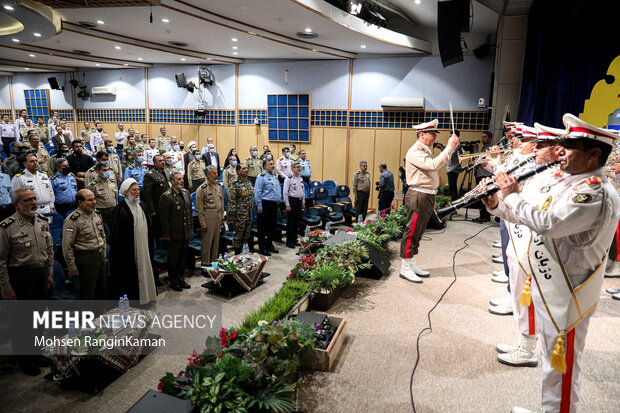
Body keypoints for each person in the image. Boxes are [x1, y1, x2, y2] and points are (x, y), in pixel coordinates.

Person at [482, 114, 620, 413]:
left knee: (563, 363)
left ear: (593, 154)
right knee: (551, 356)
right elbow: (529, 214)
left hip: (569, 286)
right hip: (553, 280)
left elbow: (547, 223)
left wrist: (511, 194)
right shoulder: (570, 180)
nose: (560, 151)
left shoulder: (593, 192)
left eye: (569, 146)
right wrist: (497, 204)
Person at [0, 189, 54, 376]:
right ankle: (25, 360)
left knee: (39, 318)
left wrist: (49, 273)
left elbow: (49, 249)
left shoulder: (41, 221)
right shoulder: (7, 227)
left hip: (40, 274)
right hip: (20, 277)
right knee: (22, 322)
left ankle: (36, 353)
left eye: (34, 199)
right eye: (28, 200)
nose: (33, 202)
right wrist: (6, 288)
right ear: (16, 204)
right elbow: (0, 260)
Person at [400, 119, 459, 283]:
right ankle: (405, 267)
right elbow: (432, 166)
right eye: (432, 133)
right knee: (411, 230)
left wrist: (433, 195)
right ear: (422, 134)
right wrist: (449, 148)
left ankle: (411, 262)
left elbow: (430, 174)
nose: (434, 136)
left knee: (419, 231)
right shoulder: (416, 151)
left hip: (426, 195)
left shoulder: (425, 149)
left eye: (434, 133)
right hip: (418, 195)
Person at [110, 178, 157, 303]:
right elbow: (117, 236)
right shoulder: (120, 210)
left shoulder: (141, 205)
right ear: (126, 192)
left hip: (144, 247)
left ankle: (148, 296)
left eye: (138, 190)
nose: (137, 192)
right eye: (134, 190)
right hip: (129, 251)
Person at [62, 189, 107, 300]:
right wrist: (72, 267)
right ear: (80, 202)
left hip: (99, 256)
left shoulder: (96, 215)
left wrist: (104, 255)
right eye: (90, 200)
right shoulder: (72, 220)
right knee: (87, 293)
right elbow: (67, 246)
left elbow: (103, 237)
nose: (94, 202)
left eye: (94, 199)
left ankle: (99, 315)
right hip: (85, 259)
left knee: (101, 290)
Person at [159, 171, 192, 292]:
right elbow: (164, 218)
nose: (182, 181)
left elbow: (188, 213)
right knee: (173, 259)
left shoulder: (186, 193)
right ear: (172, 181)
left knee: (183, 257)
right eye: (179, 179)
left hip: (185, 231)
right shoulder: (166, 196)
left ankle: (181, 278)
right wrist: (166, 234)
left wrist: (190, 230)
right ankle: (173, 281)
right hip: (174, 233)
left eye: (182, 179)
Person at [196, 165, 225, 265]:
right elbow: (199, 209)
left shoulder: (218, 186)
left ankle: (213, 263)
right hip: (209, 216)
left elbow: (221, 202)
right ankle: (205, 265)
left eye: (217, 173)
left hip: (217, 215)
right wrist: (203, 223)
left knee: (216, 242)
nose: (217, 175)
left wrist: (222, 217)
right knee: (207, 243)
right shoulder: (202, 189)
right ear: (208, 175)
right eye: (214, 173)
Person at [254, 159, 280, 256]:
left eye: (273, 164)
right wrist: (259, 206)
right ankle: (262, 248)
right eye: (270, 164)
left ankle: (270, 245)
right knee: (263, 228)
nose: (273, 166)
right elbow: (257, 193)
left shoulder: (274, 177)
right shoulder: (261, 177)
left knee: (272, 227)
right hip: (265, 205)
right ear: (265, 166)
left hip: (274, 205)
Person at [227, 163, 254, 254]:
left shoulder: (249, 182)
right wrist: (232, 214)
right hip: (239, 215)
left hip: (248, 214)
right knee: (238, 237)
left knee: (246, 236)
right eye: (243, 168)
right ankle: (237, 256)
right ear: (238, 172)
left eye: (246, 168)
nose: (246, 169)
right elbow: (232, 200)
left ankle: (244, 255)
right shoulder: (235, 184)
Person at [143, 154, 170, 244]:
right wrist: (152, 209)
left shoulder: (166, 172)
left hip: (166, 205)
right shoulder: (150, 175)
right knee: (158, 230)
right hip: (157, 207)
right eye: (160, 161)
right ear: (154, 163)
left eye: (163, 160)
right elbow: (148, 194)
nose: (163, 162)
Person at [86, 163, 118, 227]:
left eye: (108, 170)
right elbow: (89, 202)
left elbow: (116, 197)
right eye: (104, 170)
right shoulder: (92, 185)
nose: (107, 172)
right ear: (97, 171)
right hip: (101, 212)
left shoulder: (112, 182)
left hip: (113, 211)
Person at [472, 131, 494, 223]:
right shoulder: (484, 148)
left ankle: (484, 216)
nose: (482, 138)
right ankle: (484, 215)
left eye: (485, 137)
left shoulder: (488, 149)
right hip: (481, 174)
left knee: (483, 196)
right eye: (482, 137)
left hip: (485, 174)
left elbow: (479, 159)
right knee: (482, 196)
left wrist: (475, 151)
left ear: (489, 139)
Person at [283, 162, 305, 248]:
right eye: (297, 167)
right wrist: (287, 204)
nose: (299, 168)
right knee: (291, 222)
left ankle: (295, 239)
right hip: (292, 202)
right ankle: (289, 241)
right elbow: (285, 193)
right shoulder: (289, 178)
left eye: (300, 167)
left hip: (299, 202)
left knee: (297, 222)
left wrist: (303, 202)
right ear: (292, 169)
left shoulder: (300, 178)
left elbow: (302, 191)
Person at [445, 131, 463, 201]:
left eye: (450, 136)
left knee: (453, 188)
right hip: (451, 168)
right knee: (452, 188)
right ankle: (454, 202)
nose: (449, 138)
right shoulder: (455, 145)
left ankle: (454, 203)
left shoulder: (457, 145)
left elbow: (451, 155)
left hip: (453, 168)